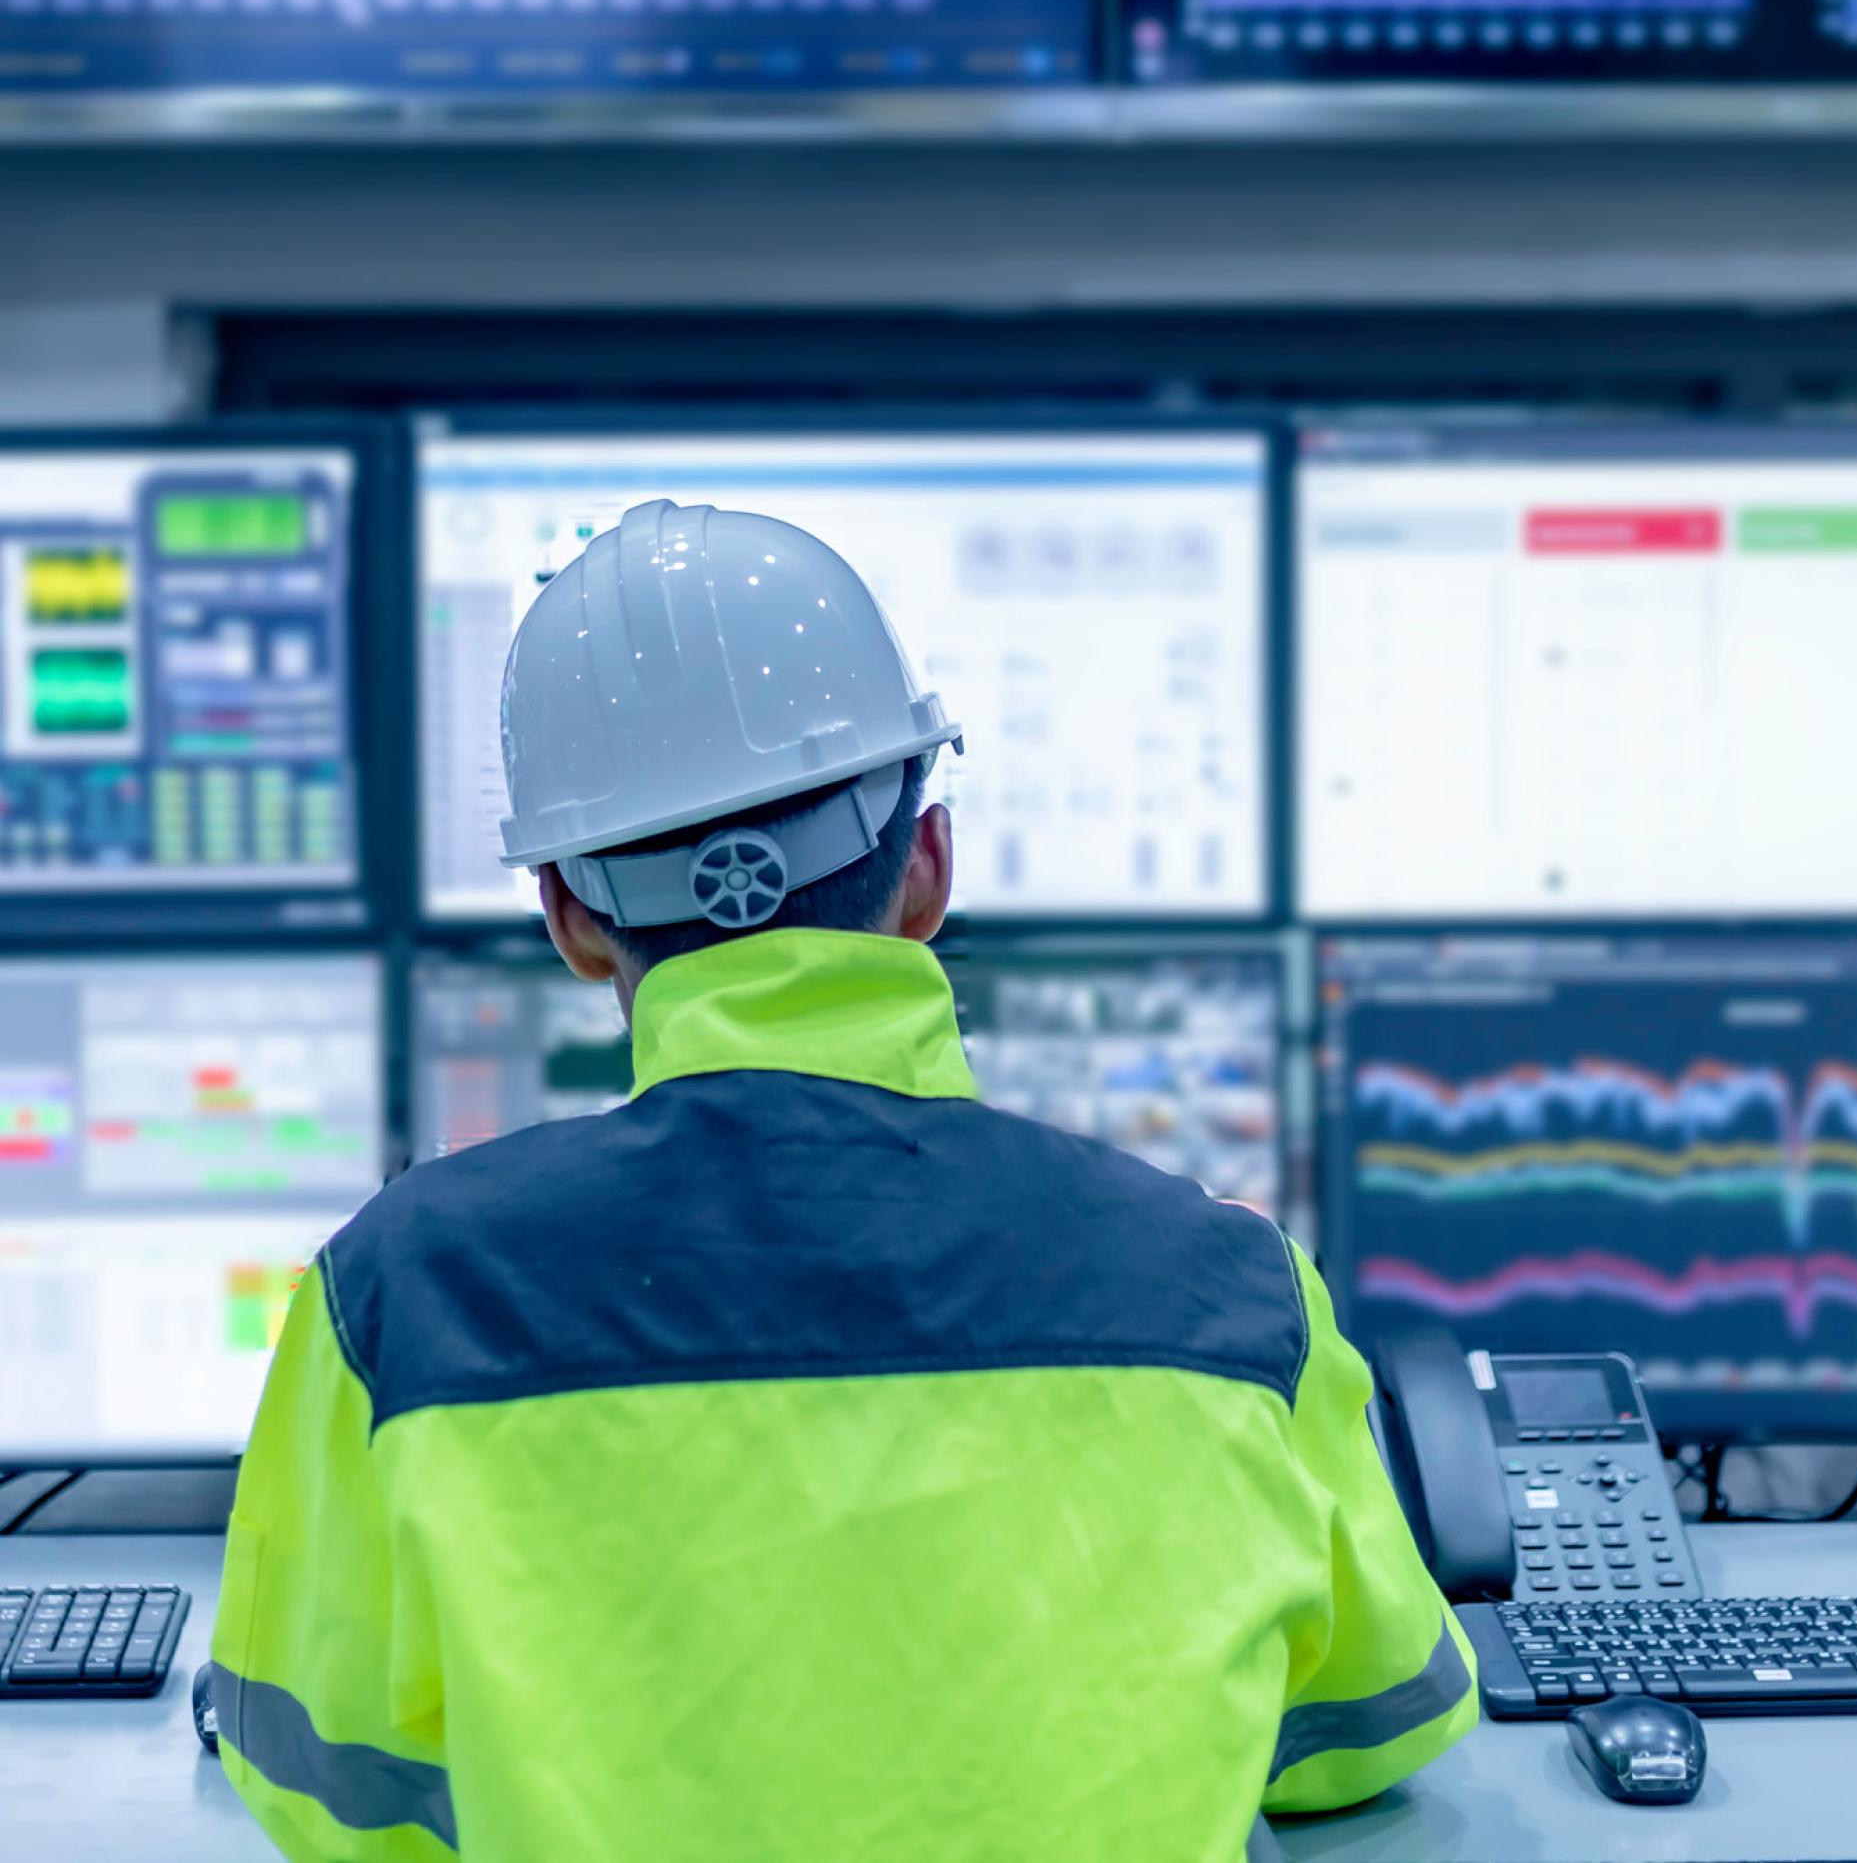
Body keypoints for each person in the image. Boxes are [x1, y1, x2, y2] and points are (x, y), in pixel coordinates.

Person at [208, 499, 1475, 1863]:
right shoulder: (1227, 1294)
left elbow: (323, 1783)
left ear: (571, 921)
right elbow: (1368, 1733)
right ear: (926, 866)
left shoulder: (396, 1299)